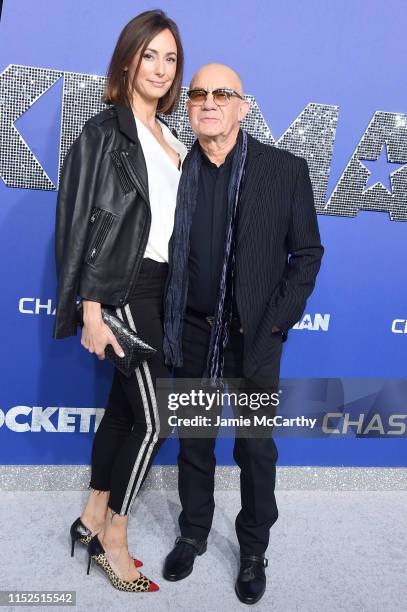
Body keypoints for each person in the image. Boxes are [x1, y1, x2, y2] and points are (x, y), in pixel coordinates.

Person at [162, 63, 324, 604]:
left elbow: (307, 255)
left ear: (243, 106)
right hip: (189, 331)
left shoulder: (284, 170)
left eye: (222, 93)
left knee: (255, 450)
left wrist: (276, 322)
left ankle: (253, 548)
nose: (209, 101)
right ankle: (193, 532)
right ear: (189, 107)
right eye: (199, 94)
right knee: (194, 442)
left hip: (254, 335)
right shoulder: (174, 168)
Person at [53, 10, 187, 593]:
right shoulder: (104, 133)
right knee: (157, 421)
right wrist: (90, 305)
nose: (160, 68)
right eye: (150, 55)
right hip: (120, 288)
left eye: (170, 58)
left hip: (163, 290)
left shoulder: (172, 136)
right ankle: (114, 538)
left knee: (126, 411)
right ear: (128, 60)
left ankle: (88, 517)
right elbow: (79, 223)